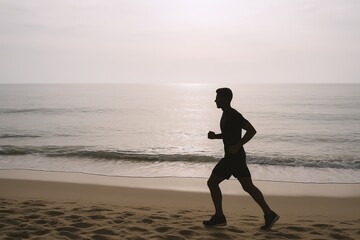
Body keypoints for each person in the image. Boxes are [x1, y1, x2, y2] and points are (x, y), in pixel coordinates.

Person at [203, 87, 279, 230]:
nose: (215, 100)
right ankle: (269, 214)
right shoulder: (226, 114)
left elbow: (252, 131)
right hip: (234, 157)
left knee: (212, 183)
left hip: (233, 158)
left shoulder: (233, 114)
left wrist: (237, 145)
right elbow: (229, 134)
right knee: (248, 187)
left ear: (225, 98)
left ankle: (219, 217)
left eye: (217, 97)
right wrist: (215, 137)